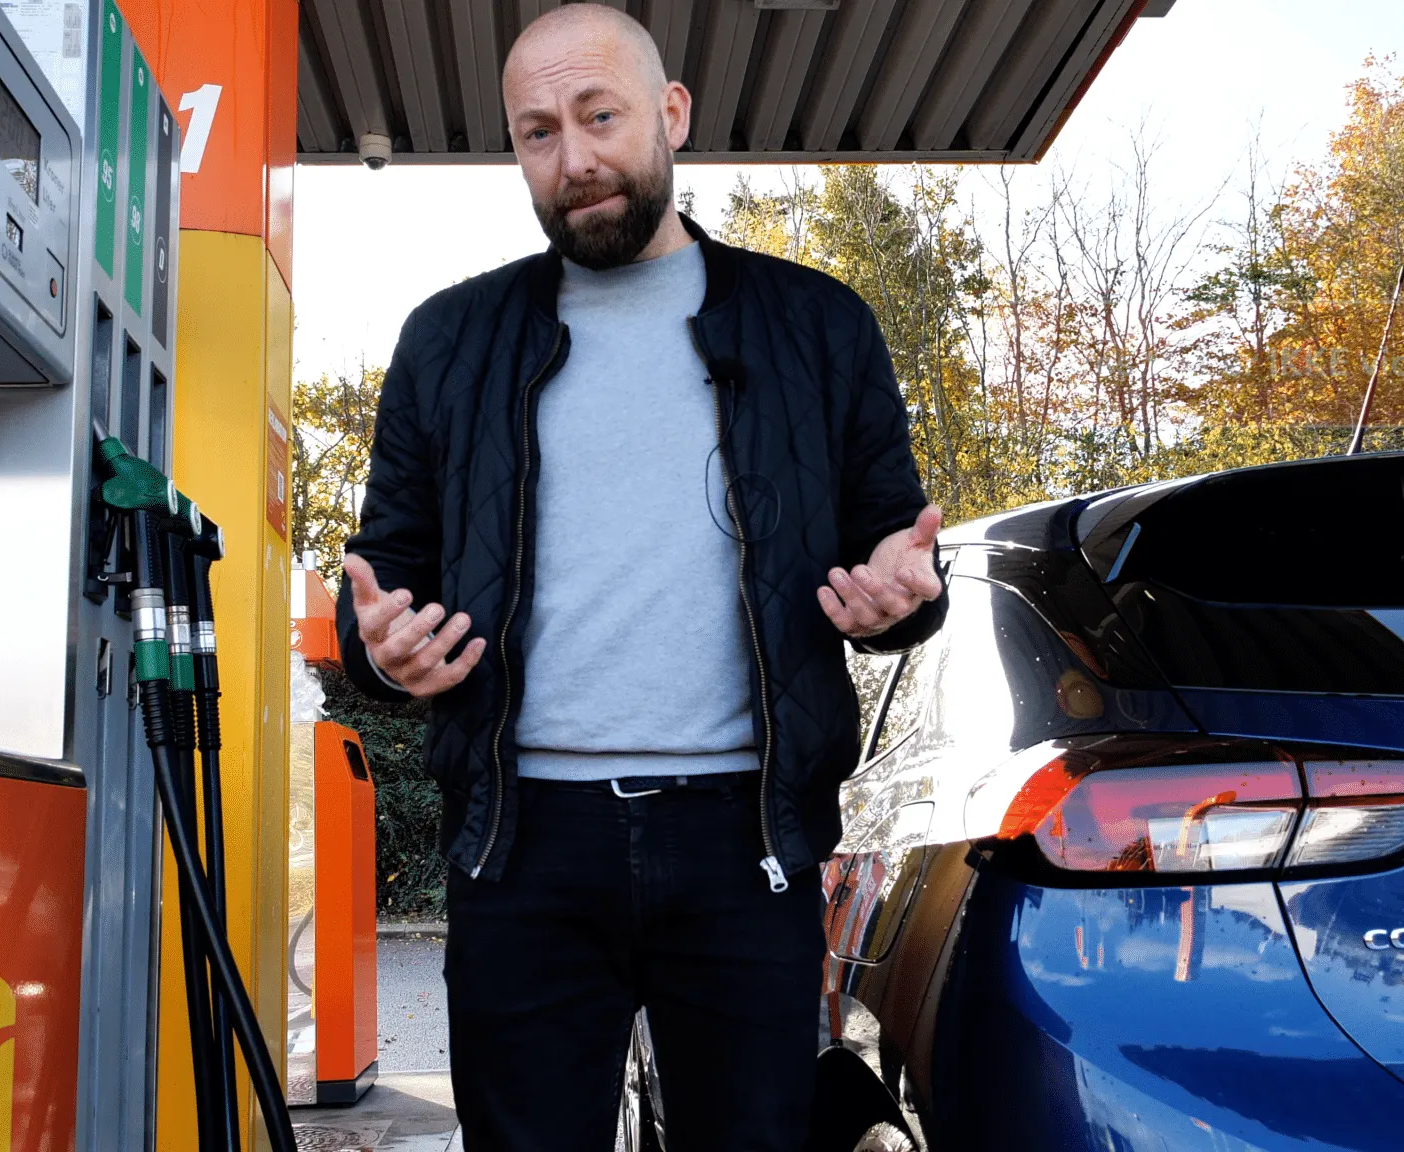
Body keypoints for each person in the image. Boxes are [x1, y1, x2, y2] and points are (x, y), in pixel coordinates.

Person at [334, 5, 946, 1147]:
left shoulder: (817, 326)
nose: (573, 158)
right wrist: (380, 647)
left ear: (670, 115)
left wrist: (898, 599)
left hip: (744, 842)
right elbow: (387, 566)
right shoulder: (449, 341)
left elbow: (893, 547)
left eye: (599, 116)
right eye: (537, 132)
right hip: (519, 845)